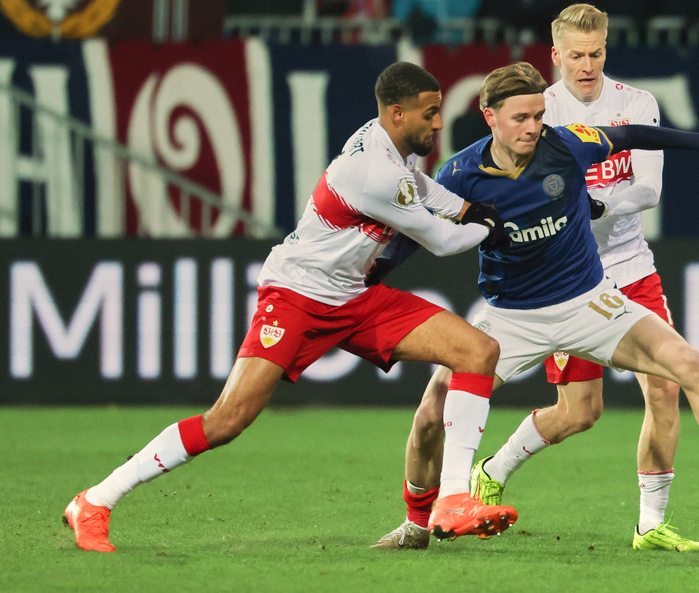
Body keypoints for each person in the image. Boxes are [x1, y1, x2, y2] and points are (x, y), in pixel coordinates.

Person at [62, 62, 518, 552]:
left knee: (477, 352)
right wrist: (486, 228)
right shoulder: (371, 172)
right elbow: (444, 242)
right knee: (227, 421)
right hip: (297, 296)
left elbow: (421, 187)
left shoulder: (387, 148)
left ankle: (438, 509)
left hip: (355, 296)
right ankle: (95, 500)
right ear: (398, 112)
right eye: (430, 114)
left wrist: (467, 208)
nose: (437, 123)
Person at [371, 61, 699, 551]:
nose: (533, 127)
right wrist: (374, 275)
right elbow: (417, 233)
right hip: (512, 316)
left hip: (589, 302)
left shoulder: (567, 144)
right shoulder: (459, 172)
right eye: (520, 117)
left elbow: (632, 134)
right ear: (489, 116)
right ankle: (417, 524)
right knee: (431, 412)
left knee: (686, 363)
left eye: (538, 115)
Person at [468, 2, 699, 553]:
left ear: (606, 49)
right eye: (575, 55)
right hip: (567, 275)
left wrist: (600, 205)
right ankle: (492, 469)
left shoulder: (636, 104)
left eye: (596, 53)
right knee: (580, 412)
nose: (587, 64)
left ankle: (652, 524)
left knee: (666, 388)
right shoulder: (537, 112)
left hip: (630, 267)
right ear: (555, 56)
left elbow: (649, 188)